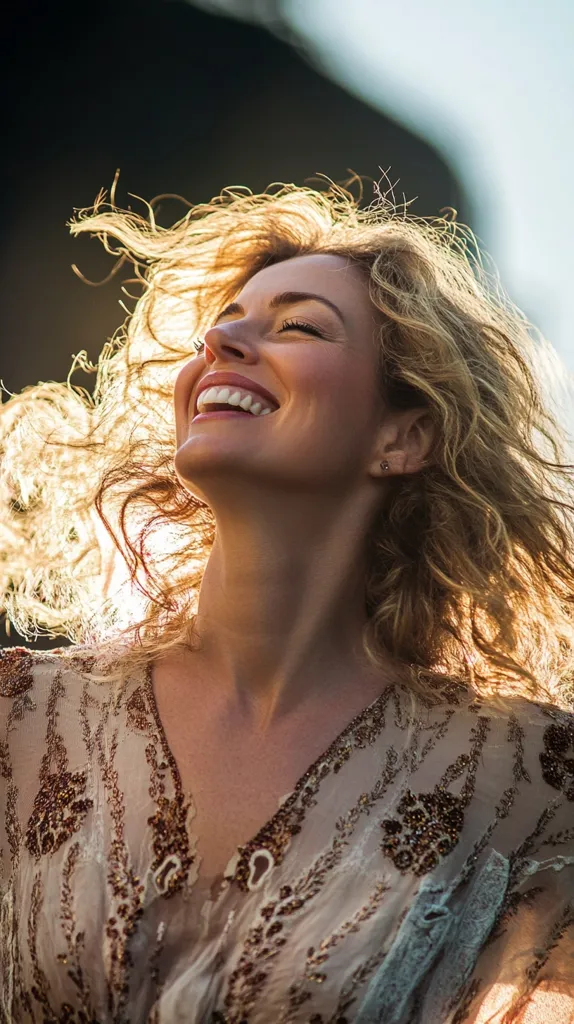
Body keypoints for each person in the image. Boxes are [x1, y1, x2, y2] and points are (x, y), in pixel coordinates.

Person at [1, 181, 573, 1023]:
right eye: (223, 322)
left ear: (403, 436)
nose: (224, 340)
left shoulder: (532, 782)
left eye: (298, 325)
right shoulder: (23, 716)